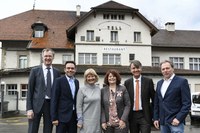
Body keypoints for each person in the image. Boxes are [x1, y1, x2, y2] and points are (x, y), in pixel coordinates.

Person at [26, 48, 61, 133]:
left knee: (48, 130)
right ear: (42, 57)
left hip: (50, 106)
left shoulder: (57, 72)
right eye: (45, 56)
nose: (47, 58)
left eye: (50, 56)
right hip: (36, 105)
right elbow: (30, 90)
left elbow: (58, 92)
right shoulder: (35, 71)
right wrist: (29, 109)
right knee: (32, 130)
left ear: (53, 57)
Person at [153, 60, 191, 133]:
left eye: (167, 68)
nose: (165, 71)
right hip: (163, 122)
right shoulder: (159, 83)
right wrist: (156, 118)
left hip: (176, 122)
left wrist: (179, 118)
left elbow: (187, 103)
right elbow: (157, 103)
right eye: (163, 69)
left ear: (173, 69)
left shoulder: (182, 82)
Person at [124, 60, 155, 133]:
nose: (136, 70)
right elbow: (125, 100)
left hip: (145, 115)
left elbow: (154, 98)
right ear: (130, 70)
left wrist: (154, 114)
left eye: (138, 68)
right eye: (133, 68)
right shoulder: (127, 83)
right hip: (132, 115)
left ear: (141, 68)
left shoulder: (148, 81)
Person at [51, 61, 79, 133]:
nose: (70, 70)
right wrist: (54, 118)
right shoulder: (58, 81)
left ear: (75, 70)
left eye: (72, 68)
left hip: (73, 116)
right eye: (68, 68)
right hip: (61, 117)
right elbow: (54, 99)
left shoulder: (76, 82)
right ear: (64, 70)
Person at [76, 68, 101, 133]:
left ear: (95, 77)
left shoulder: (99, 89)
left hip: (97, 120)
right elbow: (79, 107)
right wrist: (80, 120)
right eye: (88, 76)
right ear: (86, 78)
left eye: (92, 76)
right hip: (86, 121)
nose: (91, 78)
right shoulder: (82, 90)